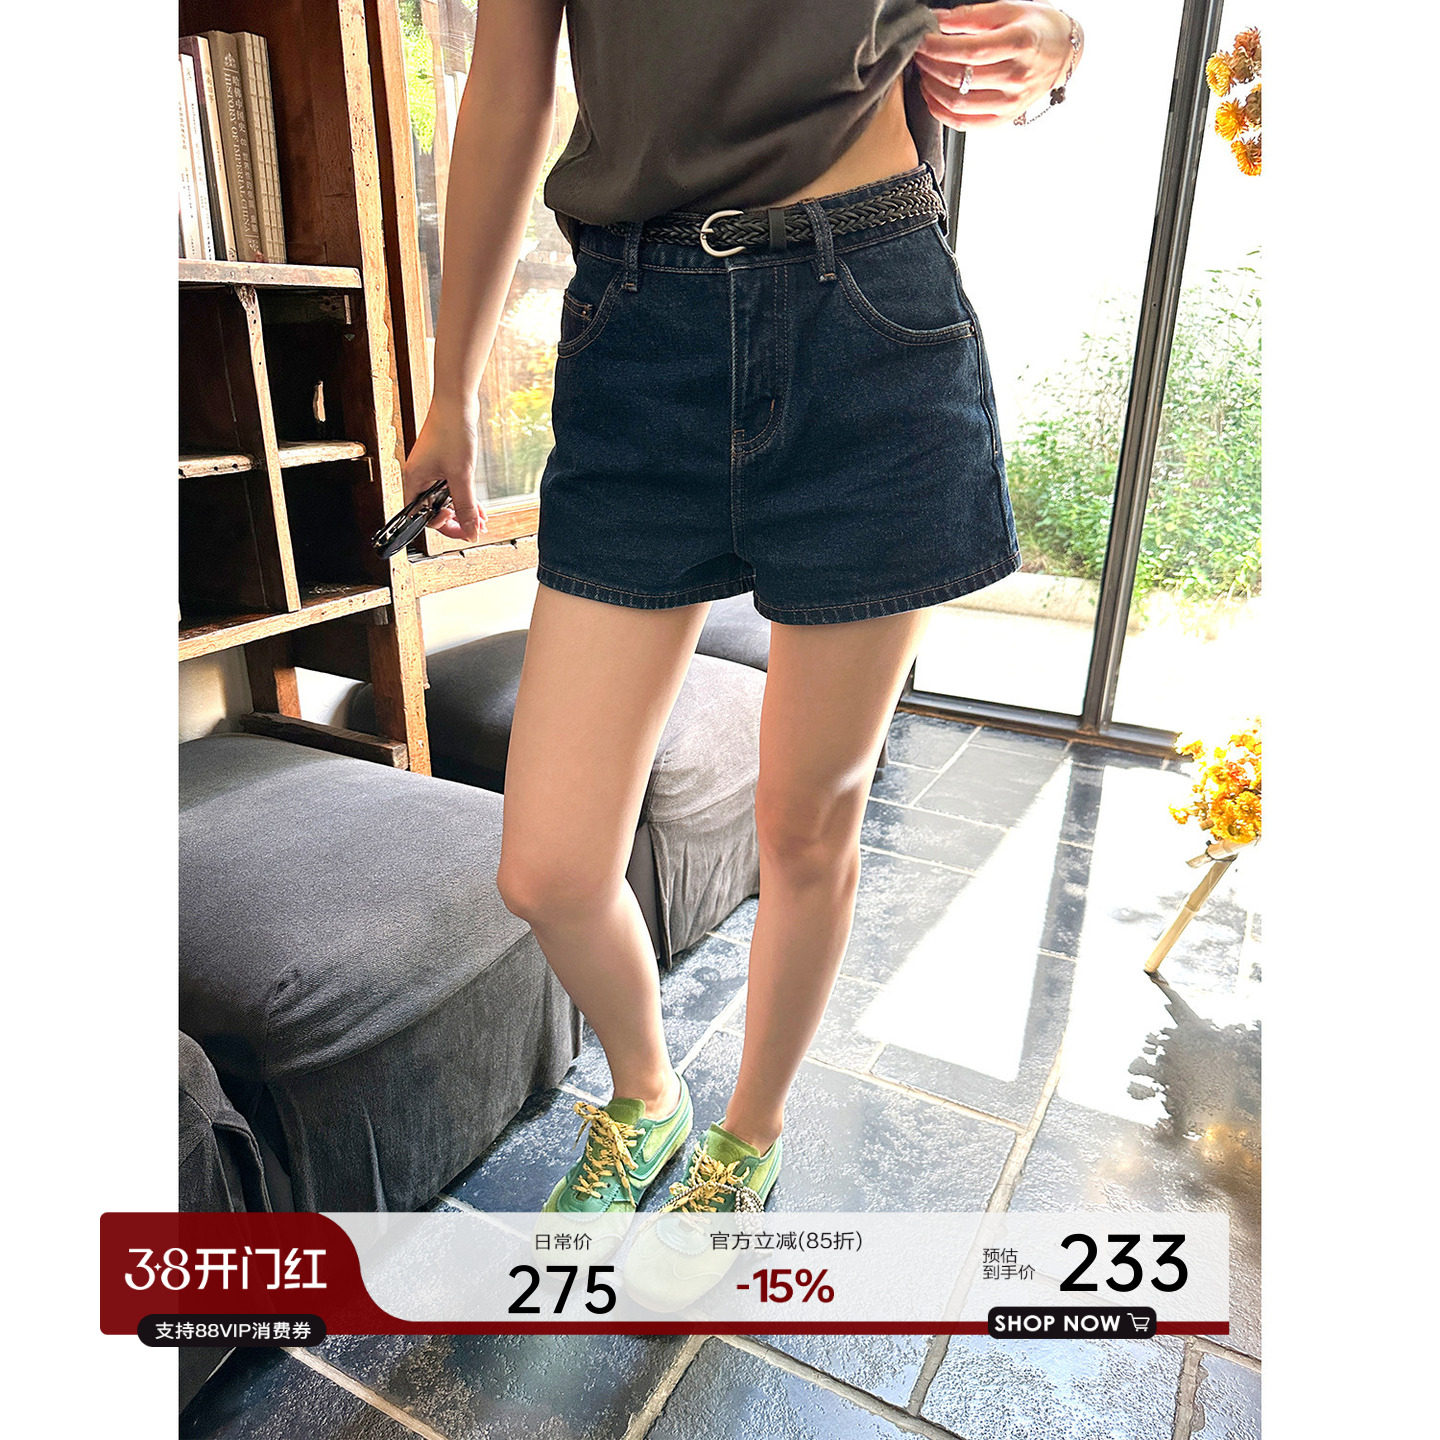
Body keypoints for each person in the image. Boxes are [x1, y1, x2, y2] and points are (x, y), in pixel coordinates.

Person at [400, 1, 1085, 1219]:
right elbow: (505, 88)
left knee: (808, 823)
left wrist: (1060, 44)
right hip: (636, 333)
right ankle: (649, 1093)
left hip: (864, 306)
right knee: (549, 867)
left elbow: (1026, 29)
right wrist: (449, 388)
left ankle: (749, 1136)